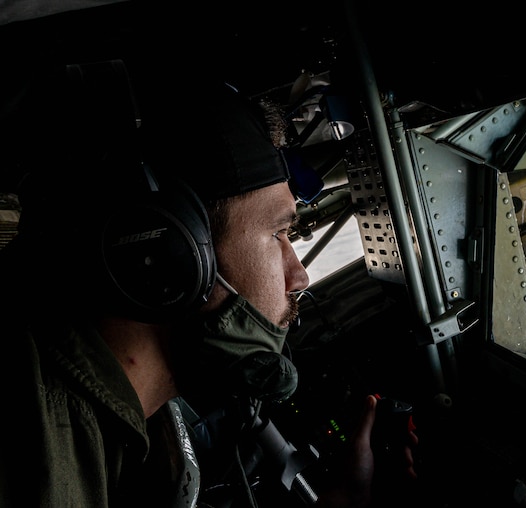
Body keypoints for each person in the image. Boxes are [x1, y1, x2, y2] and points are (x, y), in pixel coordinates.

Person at [0, 62, 416, 507]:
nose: (299, 275)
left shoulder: (115, 419)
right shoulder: (33, 453)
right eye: (278, 233)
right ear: (170, 251)